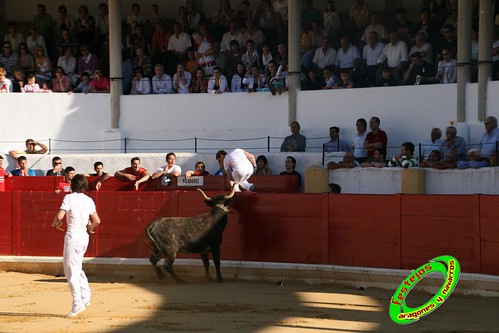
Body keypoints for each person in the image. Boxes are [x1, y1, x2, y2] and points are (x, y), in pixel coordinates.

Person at [51, 174, 101, 317]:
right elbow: (97, 220)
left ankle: (77, 303)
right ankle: (85, 297)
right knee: (76, 267)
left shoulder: (69, 198)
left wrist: (54, 223)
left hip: (73, 237)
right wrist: (90, 227)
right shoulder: (89, 200)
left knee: (70, 272)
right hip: (84, 237)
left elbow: (60, 216)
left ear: (72, 185)